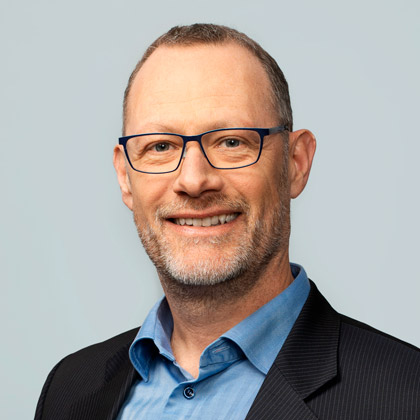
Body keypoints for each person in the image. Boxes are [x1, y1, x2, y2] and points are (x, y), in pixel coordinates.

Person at [35, 24, 420, 420]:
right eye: (160, 146)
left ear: (296, 163)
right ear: (124, 177)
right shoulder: (69, 391)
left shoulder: (406, 398)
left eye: (232, 142)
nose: (193, 180)